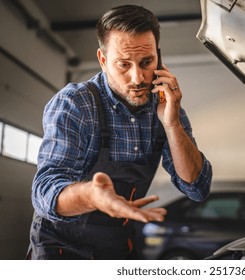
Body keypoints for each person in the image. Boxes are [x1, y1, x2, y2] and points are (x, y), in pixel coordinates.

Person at [27, 4, 212, 260]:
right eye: (123, 64)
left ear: (158, 56)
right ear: (103, 60)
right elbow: (44, 191)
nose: (137, 77)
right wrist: (92, 196)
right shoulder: (76, 103)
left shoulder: (166, 105)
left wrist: (172, 125)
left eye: (146, 62)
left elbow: (197, 188)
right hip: (60, 249)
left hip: (117, 249)